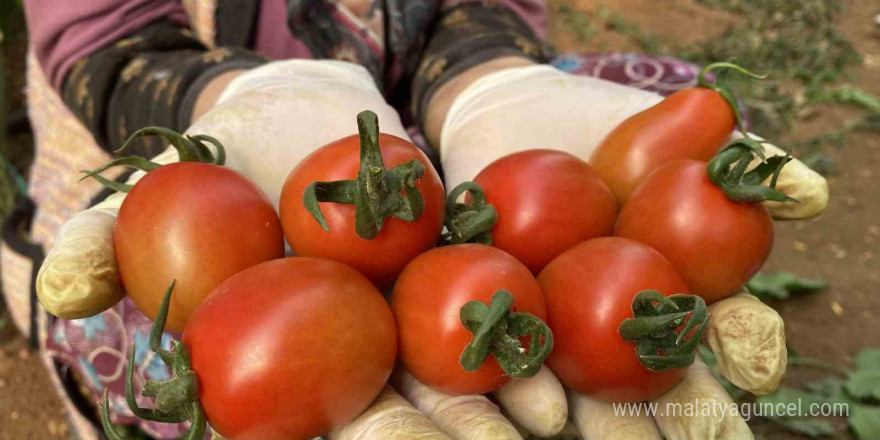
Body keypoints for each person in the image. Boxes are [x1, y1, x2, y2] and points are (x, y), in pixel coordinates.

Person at [0, 1, 825, 439]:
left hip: (427, 165)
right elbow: (102, 34)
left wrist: (488, 82)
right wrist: (228, 100)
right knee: (122, 314)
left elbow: (485, 8)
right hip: (219, 111)